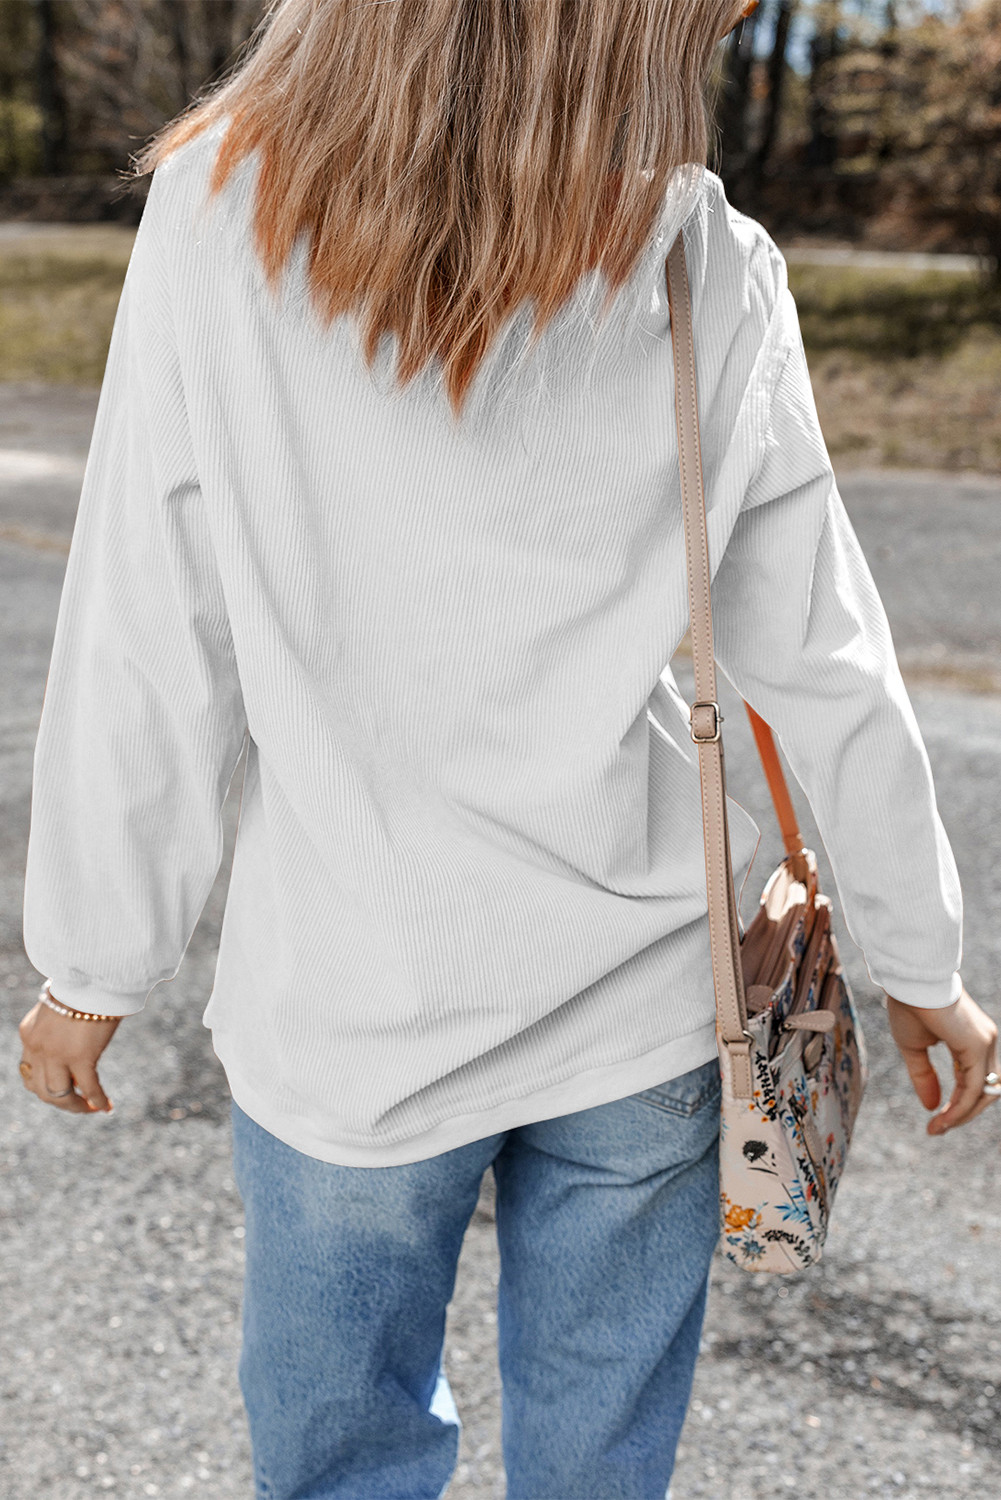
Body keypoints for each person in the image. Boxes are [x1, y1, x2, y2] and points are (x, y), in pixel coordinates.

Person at [17, 1, 999, 1496]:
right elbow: (822, 659)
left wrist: (97, 961)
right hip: (647, 1009)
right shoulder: (700, 258)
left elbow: (155, 620)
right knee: (599, 1464)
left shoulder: (224, 208)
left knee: (341, 1464)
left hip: (352, 1009)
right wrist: (921, 962)